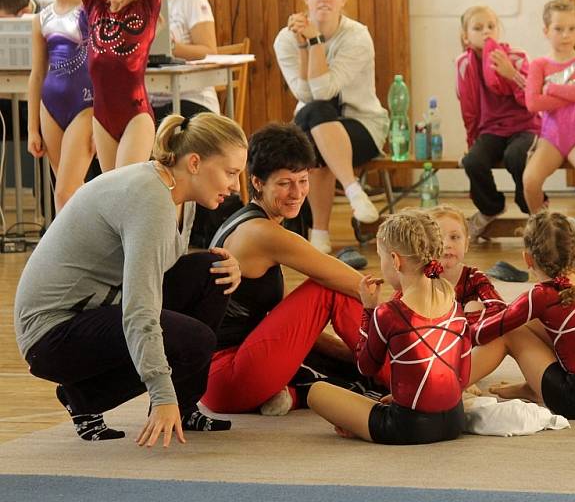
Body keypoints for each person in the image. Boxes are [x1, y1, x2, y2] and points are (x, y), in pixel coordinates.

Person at [14, 113, 248, 448]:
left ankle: (181, 407)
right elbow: (140, 311)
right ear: (195, 162)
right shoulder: (151, 199)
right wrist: (161, 391)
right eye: (231, 173)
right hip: (51, 336)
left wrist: (232, 267)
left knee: (212, 272)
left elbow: (158, 269)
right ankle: (86, 398)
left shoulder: (179, 193)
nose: (235, 186)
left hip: (97, 308)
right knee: (194, 341)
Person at [200, 123, 386, 415]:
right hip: (227, 377)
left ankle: (297, 393)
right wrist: (409, 326)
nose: (297, 193)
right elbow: (357, 285)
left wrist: (349, 354)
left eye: (303, 180)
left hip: (223, 378)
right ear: (258, 182)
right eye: (285, 183)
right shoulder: (261, 233)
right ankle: (404, 373)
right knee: (327, 289)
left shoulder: (249, 220)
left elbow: (288, 321)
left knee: (348, 364)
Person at [307, 209, 471, 445]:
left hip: (407, 428)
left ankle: (361, 425)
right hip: (455, 420)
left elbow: (366, 365)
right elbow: (462, 376)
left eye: (381, 257)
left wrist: (369, 309)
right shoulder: (453, 302)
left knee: (318, 392)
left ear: (395, 260)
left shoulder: (390, 313)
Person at [273, 0, 388, 256]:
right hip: (315, 123)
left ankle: (320, 234)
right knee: (315, 117)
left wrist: (314, 42)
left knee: (315, 122)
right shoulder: (286, 38)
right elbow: (305, 93)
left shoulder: (357, 35)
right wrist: (304, 45)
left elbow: (324, 90)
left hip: (361, 125)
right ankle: (353, 191)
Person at [468, 211, 575, 420]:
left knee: (509, 332)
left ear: (527, 258)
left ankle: (451, 385)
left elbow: (482, 334)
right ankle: (533, 389)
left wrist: (455, 328)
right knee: (528, 322)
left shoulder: (542, 294)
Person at [71, 0, 162, 171]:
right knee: (111, 198)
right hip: (102, 118)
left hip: (136, 116)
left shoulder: (146, 8)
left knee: (125, 191)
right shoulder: (94, 8)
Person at [456, 5, 539, 241]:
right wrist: (471, 142)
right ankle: (491, 207)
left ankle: (533, 208)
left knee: (516, 156)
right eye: (478, 28)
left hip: (525, 126)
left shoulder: (517, 57)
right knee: (472, 161)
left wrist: (510, 73)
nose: (486, 32)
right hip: (491, 130)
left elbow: (533, 100)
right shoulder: (463, 64)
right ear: (466, 36)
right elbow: (468, 109)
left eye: (491, 26)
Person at [26, 0, 94, 212]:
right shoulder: (41, 18)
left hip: (86, 105)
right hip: (50, 106)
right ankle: (76, 254)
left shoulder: (92, 10)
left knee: (67, 191)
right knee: (64, 196)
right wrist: (32, 127)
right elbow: (37, 74)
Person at [132, 0, 219, 123]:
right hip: (148, 98)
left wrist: (171, 48)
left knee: (154, 126)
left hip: (190, 97)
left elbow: (209, 51)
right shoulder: (133, 4)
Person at [522, 0, 575, 214]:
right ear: (546, 31)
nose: (566, 35)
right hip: (551, 138)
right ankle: (540, 223)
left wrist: (552, 89)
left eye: (571, 28)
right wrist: (574, 93)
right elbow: (533, 103)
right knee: (530, 180)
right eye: (559, 29)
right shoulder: (539, 64)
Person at [429, 204, 507, 327]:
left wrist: (460, 322)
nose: (447, 244)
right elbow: (396, 309)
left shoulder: (473, 277)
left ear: (466, 244)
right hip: (431, 337)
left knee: (474, 306)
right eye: (438, 238)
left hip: (467, 337)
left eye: (454, 237)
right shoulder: (421, 276)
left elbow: (500, 309)